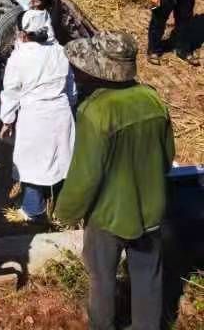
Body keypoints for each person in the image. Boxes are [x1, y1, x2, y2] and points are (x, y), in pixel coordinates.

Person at [55, 31, 175, 330]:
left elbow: (86, 177)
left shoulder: (96, 111)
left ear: (99, 71)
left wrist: (66, 212)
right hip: (151, 209)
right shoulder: (152, 99)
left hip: (108, 217)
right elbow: (166, 156)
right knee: (148, 274)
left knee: (102, 276)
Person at [0, 11, 75, 221]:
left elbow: (11, 91)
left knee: (32, 164)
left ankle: (34, 209)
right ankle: (61, 208)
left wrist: (7, 119)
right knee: (60, 159)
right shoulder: (60, 51)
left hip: (35, 116)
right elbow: (70, 86)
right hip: (61, 112)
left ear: (23, 33)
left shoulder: (20, 56)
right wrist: (70, 104)